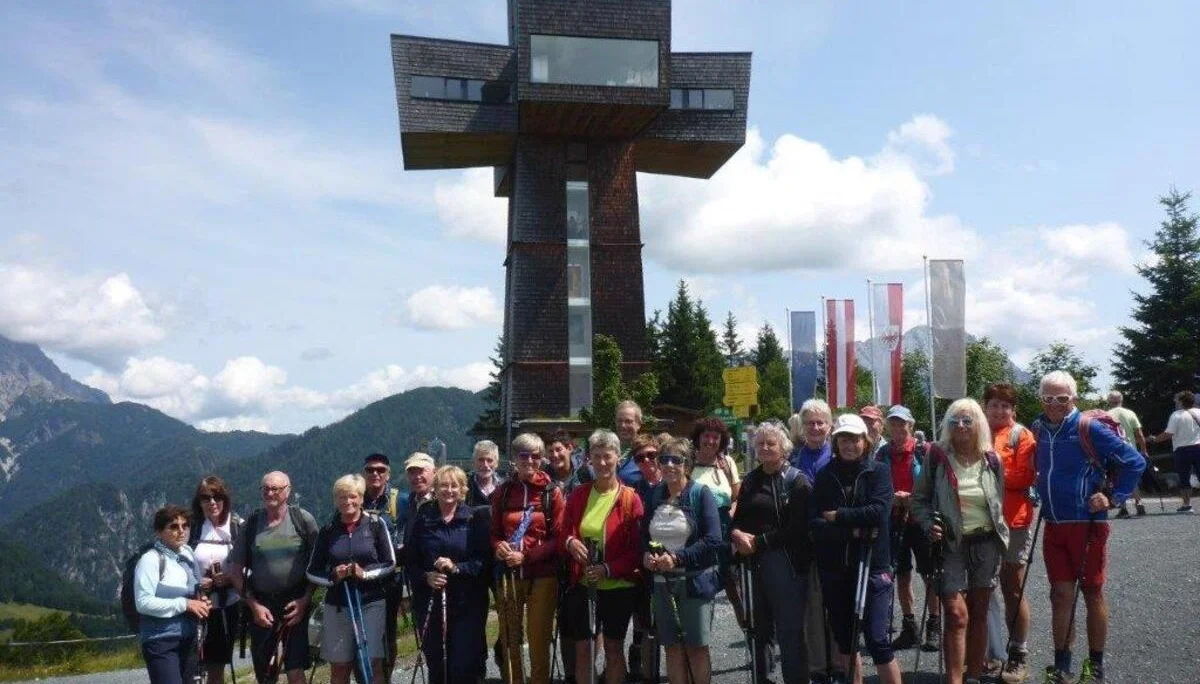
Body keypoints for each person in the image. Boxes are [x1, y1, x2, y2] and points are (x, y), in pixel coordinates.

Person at [1033, 371, 1144, 684]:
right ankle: (1062, 666)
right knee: (1060, 595)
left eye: (1062, 398)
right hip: (1054, 523)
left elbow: (1135, 462)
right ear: (1041, 399)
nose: (1054, 404)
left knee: (1092, 592)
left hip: (1087, 523)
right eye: (1048, 398)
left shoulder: (1087, 427)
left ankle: (1095, 666)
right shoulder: (1038, 427)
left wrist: (1113, 496)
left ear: (1074, 399)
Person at [912, 399, 1009, 684]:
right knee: (955, 614)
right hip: (950, 543)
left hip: (986, 543)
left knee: (979, 611)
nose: (961, 426)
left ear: (978, 423)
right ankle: (954, 679)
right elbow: (919, 500)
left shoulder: (992, 459)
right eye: (955, 421)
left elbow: (998, 502)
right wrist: (929, 524)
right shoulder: (937, 456)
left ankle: (974, 676)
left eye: (968, 420)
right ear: (947, 425)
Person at [811, 415, 903, 684]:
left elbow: (879, 512)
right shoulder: (825, 475)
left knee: (877, 640)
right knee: (845, 640)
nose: (849, 445)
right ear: (836, 442)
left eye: (855, 439)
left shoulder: (878, 471)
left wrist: (838, 516)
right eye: (844, 439)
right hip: (836, 566)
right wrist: (852, 530)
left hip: (873, 563)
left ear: (865, 441)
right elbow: (815, 522)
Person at [730, 421, 812, 684]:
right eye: (760, 443)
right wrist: (736, 533)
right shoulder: (751, 480)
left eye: (771, 443)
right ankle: (763, 679)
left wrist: (759, 542)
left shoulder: (797, 481)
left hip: (786, 562)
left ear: (783, 448)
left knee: (790, 632)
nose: (765, 448)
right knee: (758, 628)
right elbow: (738, 518)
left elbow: (799, 528)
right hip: (753, 563)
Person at [562, 429, 645, 684]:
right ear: (589, 459)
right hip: (583, 584)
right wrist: (570, 542)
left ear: (618, 457)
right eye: (596, 456)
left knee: (613, 649)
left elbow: (637, 550)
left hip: (618, 587)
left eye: (607, 456)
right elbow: (565, 529)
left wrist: (608, 569)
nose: (602, 462)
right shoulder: (579, 495)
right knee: (583, 650)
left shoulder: (630, 499)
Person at [641, 438, 722, 684]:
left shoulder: (701, 494)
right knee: (672, 647)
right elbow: (644, 535)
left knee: (696, 648)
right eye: (664, 459)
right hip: (662, 584)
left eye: (676, 460)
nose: (669, 465)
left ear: (687, 465)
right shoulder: (655, 494)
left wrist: (677, 558)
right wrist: (646, 555)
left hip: (693, 582)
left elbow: (713, 540)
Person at [229, 471, 319, 684]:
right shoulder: (251, 524)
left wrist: (304, 601)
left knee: (295, 669)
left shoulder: (303, 520)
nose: (270, 493)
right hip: (262, 605)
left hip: (295, 603)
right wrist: (254, 606)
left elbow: (318, 565)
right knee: (265, 673)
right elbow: (235, 572)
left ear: (288, 491)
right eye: (265, 489)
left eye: (275, 489)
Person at [305, 475, 396, 684]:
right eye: (342, 497)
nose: (348, 501)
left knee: (372, 662)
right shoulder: (328, 530)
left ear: (361, 498)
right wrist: (333, 576)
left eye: (353, 496)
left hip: (371, 601)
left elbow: (390, 562)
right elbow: (312, 570)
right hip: (338, 604)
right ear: (335, 500)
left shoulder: (376, 524)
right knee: (340, 666)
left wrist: (365, 574)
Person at [491, 432, 567, 684]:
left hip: (542, 577)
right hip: (509, 578)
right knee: (510, 639)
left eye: (536, 456)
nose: (530, 461)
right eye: (524, 455)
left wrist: (526, 556)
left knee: (538, 640)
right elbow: (494, 533)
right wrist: (499, 546)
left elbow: (558, 538)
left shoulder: (552, 493)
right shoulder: (502, 492)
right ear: (514, 458)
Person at [406, 465, 492, 684]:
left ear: (463, 489)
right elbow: (411, 562)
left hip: (467, 604)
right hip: (430, 602)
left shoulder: (473, 519)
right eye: (444, 485)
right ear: (435, 488)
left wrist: (456, 568)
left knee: (463, 666)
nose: (449, 490)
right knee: (437, 664)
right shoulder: (423, 519)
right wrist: (426, 576)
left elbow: (482, 562)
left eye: (455, 485)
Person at [980, 384, 1038, 683]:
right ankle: (989, 652)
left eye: (1006, 406)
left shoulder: (1021, 435)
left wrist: (991, 467)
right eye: (994, 405)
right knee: (981, 588)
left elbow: (1026, 476)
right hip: (979, 521)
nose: (1000, 410)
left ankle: (1018, 652)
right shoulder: (976, 431)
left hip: (1013, 521)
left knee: (1012, 587)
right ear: (985, 407)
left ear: (1014, 410)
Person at [875, 404, 941, 654]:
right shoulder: (883, 454)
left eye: (901, 423)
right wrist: (892, 498)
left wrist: (912, 499)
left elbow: (936, 486)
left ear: (910, 425)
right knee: (901, 574)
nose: (897, 428)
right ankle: (909, 626)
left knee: (929, 574)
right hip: (895, 519)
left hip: (921, 520)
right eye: (893, 423)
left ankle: (934, 624)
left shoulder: (924, 451)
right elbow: (878, 485)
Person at [135, 504, 211, 684]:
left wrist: (201, 600)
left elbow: (194, 588)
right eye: (174, 527)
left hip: (190, 638)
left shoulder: (188, 553)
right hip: (161, 641)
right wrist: (185, 604)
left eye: (185, 525)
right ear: (159, 532)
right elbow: (143, 602)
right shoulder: (150, 559)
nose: (181, 531)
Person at [786, 399, 833, 680]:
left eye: (820, 422)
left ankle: (840, 664)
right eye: (810, 423)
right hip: (804, 540)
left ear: (829, 425)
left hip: (836, 541)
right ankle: (818, 668)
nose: (815, 428)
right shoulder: (792, 458)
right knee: (812, 609)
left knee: (838, 605)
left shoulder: (840, 454)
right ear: (801, 427)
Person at [188, 477, 242, 684]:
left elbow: (252, 565)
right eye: (206, 498)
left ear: (225, 499)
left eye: (217, 496)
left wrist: (230, 578)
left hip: (226, 606)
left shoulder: (238, 527)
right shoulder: (190, 528)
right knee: (189, 667)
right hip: (194, 606)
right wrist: (196, 582)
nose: (212, 502)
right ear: (199, 502)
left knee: (217, 667)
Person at [360, 453, 402, 680]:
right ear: (363, 473)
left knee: (388, 634)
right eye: (370, 470)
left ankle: (385, 678)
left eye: (381, 470)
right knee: (360, 635)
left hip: (390, 580)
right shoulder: (354, 498)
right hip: (360, 579)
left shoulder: (400, 501)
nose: (375, 474)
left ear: (388, 474)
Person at [1149, 389, 1200, 513]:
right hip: (1198, 447)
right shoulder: (1199, 412)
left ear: (1181, 402)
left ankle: (1187, 505)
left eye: (1177, 400)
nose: (1175, 402)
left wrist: (1155, 439)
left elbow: (1168, 434)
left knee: (1184, 478)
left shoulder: (1176, 415)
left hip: (1182, 450)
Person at [1105, 391, 1151, 517]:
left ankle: (1123, 507)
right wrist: (1144, 451)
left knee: (1117, 478)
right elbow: (1139, 434)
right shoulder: (1130, 413)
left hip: (1114, 451)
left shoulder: (1106, 415)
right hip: (1131, 450)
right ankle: (1139, 502)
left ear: (1109, 401)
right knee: (1132, 477)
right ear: (1121, 400)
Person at [547, 429, 593, 494]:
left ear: (569, 448)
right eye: (550, 451)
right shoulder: (545, 477)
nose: (555, 455)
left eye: (558, 450)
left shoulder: (585, 472)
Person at [468, 440, 506, 508]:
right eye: (481, 460)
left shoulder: (505, 487)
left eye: (489, 460)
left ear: (496, 463)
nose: (485, 465)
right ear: (473, 462)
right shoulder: (464, 486)